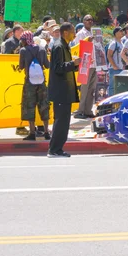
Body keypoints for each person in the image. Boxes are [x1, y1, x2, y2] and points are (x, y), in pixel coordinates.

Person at [48, 23, 80, 158]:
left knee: (64, 121)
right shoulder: (59, 46)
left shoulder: (64, 46)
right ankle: (54, 150)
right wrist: (73, 63)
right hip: (61, 91)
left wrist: (74, 65)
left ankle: (58, 149)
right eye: (73, 31)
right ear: (65, 32)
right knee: (60, 121)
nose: (75, 34)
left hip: (65, 91)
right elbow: (58, 67)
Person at [19, 31, 51, 141]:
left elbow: (21, 66)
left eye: (22, 40)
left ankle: (32, 133)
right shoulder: (42, 49)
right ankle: (46, 132)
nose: (21, 42)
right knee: (44, 105)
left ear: (25, 40)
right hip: (41, 82)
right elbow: (47, 65)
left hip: (29, 83)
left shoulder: (23, 51)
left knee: (29, 106)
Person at [73, 15, 96, 119]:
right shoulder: (80, 34)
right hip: (85, 65)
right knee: (84, 89)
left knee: (92, 89)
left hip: (94, 64)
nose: (90, 21)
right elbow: (77, 49)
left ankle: (88, 110)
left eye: (91, 20)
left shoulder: (93, 32)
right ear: (83, 21)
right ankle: (80, 110)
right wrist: (88, 42)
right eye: (87, 20)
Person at [107, 27, 125, 96]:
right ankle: (110, 102)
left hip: (121, 69)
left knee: (119, 87)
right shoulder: (113, 44)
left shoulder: (122, 44)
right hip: (114, 69)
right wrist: (114, 66)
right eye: (120, 31)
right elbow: (109, 55)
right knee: (112, 87)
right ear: (116, 33)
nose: (122, 32)